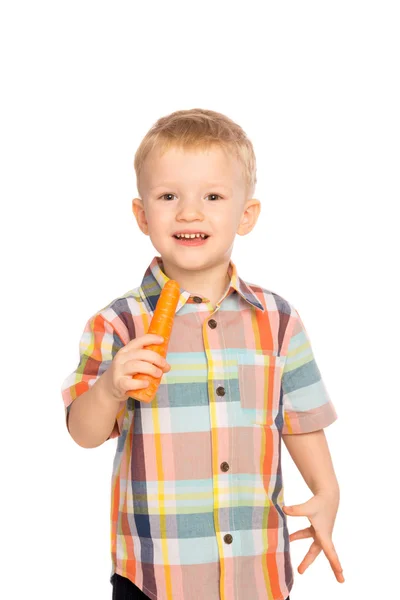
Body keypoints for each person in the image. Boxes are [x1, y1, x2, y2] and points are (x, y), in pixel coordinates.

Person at [61, 108, 344, 600]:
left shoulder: (278, 321)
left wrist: (327, 492)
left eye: (213, 196)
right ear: (142, 215)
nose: (190, 212)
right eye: (169, 196)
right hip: (154, 576)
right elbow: (83, 434)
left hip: (257, 574)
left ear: (246, 214)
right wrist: (109, 387)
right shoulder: (117, 323)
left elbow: (300, 420)